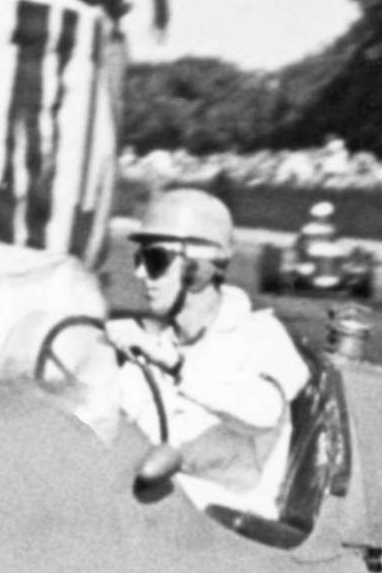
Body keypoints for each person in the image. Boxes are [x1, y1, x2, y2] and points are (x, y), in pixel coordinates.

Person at [109, 188, 310, 505]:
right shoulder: (158, 345)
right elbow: (112, 425)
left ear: (198, 267)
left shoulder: (260, 336)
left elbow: (262, 412)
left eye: (155, 260)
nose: (140, 273)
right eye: (139, 259)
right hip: (157, 518)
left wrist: (174, 365)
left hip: (236, 530)